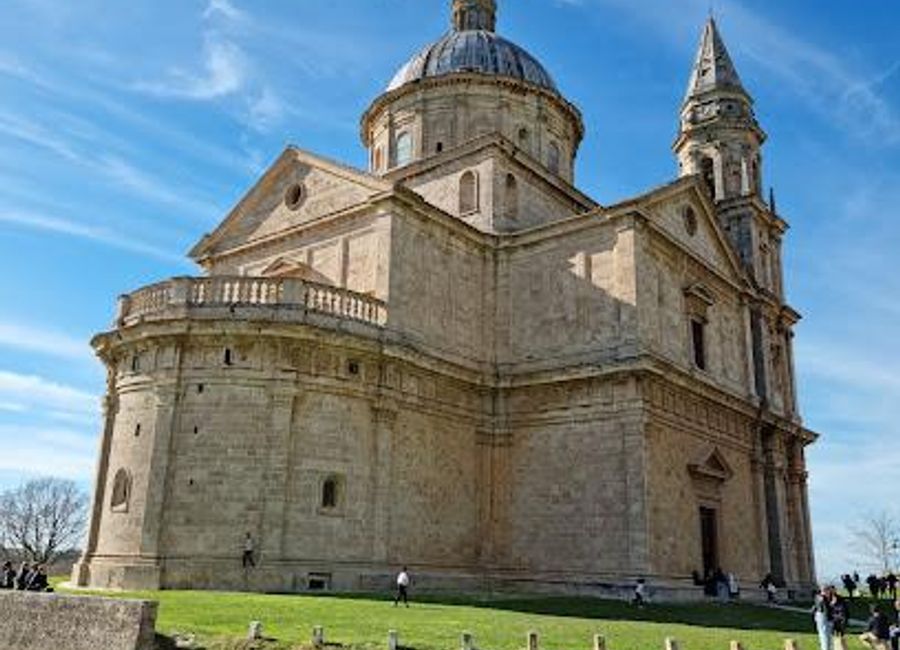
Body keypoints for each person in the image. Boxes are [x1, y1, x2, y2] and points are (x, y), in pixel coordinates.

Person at [812, 586, 835, 650]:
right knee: (825, 636)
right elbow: (825, 610)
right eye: (829, 591)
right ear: (825, 591)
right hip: (823, 618)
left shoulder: (819, 597)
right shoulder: (822, 598)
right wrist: (832, 604)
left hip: (822, 618)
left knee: (827, 636)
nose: (830, 593)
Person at [830, 586, 850, 650]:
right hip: (835, 619)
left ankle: (842, 648)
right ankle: (836, 647)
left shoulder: (840, 598)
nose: (832, 591)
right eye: (831, 590)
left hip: (840, 619)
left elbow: (843, 610)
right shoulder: (829, 598)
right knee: (835, 635)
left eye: (833, 590)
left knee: (841, 636)